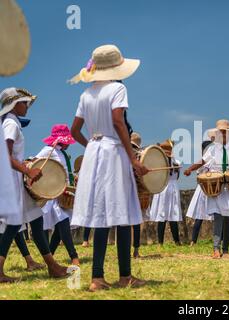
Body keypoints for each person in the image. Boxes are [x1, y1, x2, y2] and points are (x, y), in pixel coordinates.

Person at [70, 44, 149, 291]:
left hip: (94, 152)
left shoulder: (86, 94)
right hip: (114, 152)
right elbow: (118, 121)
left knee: (100, 215)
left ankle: (97, 278)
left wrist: (91, 146)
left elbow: (74, 131)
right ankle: (125, 276)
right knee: (122, 211)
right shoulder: (118, 88)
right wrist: (133, 158)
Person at [0, 88, 68, 283]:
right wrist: (28, 170)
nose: (27, 106)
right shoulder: (11, 123)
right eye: (25, 102)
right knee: (13, 225)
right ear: (14, 104)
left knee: (36, 219)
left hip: (14, 179)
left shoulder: (10, 123)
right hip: (10, 180)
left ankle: (52, 266)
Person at [184, 120, 229, 258]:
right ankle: (216, 248)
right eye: (221, 132)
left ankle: (225, 249)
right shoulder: (212, 149)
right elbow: (202, 162)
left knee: (228, 217)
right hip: (217, 186)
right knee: (218, 216)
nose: (223, 134)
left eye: (225, 132)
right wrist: (190, 169)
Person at [37, 124, 80, 266]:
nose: (68, 144)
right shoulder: (47, 151)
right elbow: (35, 163)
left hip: (64, 192)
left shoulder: (61, 153)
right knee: (63, 221)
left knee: (59, 226)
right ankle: (74, 255)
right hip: (53, 193)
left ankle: (50, 255)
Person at [147, 139, 182, 246]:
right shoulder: (177, 162)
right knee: (171, 214)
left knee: (165, 215)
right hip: (171, 187)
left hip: (163, 186)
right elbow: (178, 177)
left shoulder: (163, 163)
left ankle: (161, 242)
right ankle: (175, 241)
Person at [185, 141, 214, 246]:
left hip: (214, 188)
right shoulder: (202, 163)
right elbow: (198, 178)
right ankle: (193, 240)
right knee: (199, 215)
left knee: (217, 215)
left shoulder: (215, 160)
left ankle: (220, 240)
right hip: (202, 189)